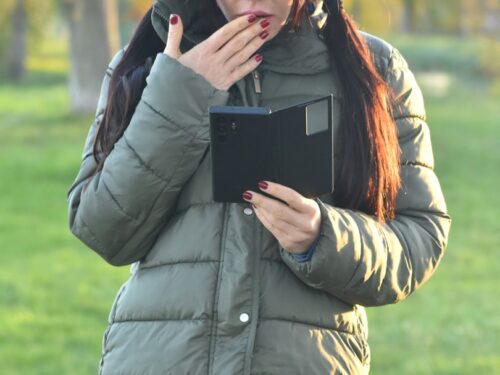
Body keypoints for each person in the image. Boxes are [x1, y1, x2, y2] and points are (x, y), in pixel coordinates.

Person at [67, 0, 451, 373]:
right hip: (157, 359)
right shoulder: (150, 63)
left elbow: (419, 235)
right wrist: (181, 93)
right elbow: (103, 230)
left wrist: (323, 236)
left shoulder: (375, 68)